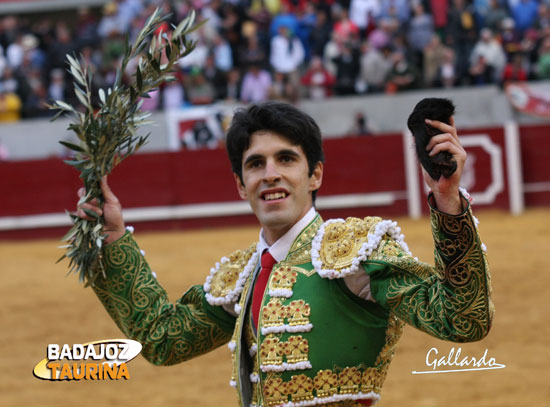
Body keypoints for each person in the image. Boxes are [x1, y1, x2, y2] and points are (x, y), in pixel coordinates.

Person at [76, 101, 493, 407]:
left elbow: (463, 319)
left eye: (286, 159)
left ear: (315, 174)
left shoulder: (354, 254)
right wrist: (112, 239)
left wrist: (448, 202)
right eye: (255, 164)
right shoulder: (243, 277)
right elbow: (162, 338)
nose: (270, 174)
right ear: (241, 185)